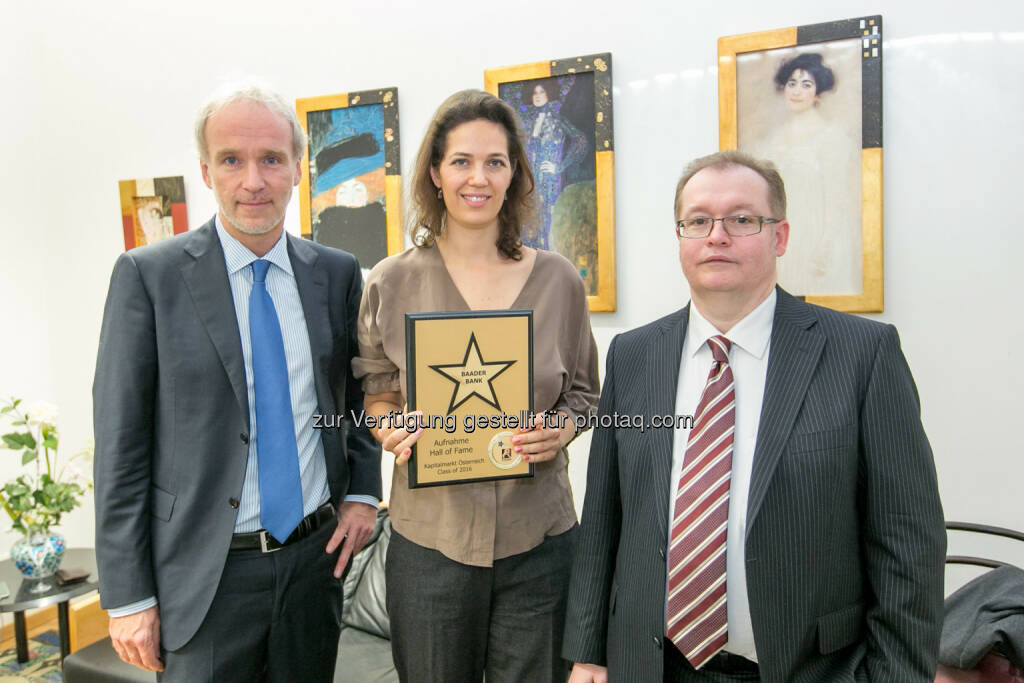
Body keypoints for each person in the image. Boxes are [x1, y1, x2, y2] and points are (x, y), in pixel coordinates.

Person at [562, 150, 945, 682]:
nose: (716, 235)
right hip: (650, 664)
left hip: (809, 668)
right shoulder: (634, 354)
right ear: (680, 238)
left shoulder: (862, 353)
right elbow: (605, 513)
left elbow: (906, 539)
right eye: (698, 220)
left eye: (742, 219)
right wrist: (589, 651)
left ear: (779, 237)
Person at [92, 80, 382, 681]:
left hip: (313, 565)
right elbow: (120, 445)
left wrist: (361, 492)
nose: (253, 180)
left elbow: (355, 398)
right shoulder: (150, 277)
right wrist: (128, 597)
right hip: (205, 576)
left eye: (271, 159)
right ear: (205, 170)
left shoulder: (335, 273)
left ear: (298, 168)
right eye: (232, 160)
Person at [353, 89, 599, 682]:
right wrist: (390, 425)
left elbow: (586, 394)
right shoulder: (390, 282)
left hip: (539, 544)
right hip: (430, 545)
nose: (478, 178)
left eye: (495, 161)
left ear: (514, 174)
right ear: (436, 172)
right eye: (461, 160)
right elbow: (378, 392)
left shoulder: (559, 280)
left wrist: (559, 430)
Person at [746, 52, 861, 297]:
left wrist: (826, 242)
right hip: (779, 238)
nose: (797, 91)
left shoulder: (831, 138)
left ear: (818, 92)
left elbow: (835, 194)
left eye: (806, 84)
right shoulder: (773, 140)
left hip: (814, 230)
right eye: (792, 83)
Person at [504, 77, 589, 250]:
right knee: (526, 223)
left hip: (548, 181)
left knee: (545, 224)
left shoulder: (557, 120)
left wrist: (560, 166)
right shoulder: (528, 122)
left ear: (549, 94)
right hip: (527, 181)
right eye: (535, 92)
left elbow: (581, 140)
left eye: (542, 91)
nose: (538, 96)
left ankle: (545, 264)